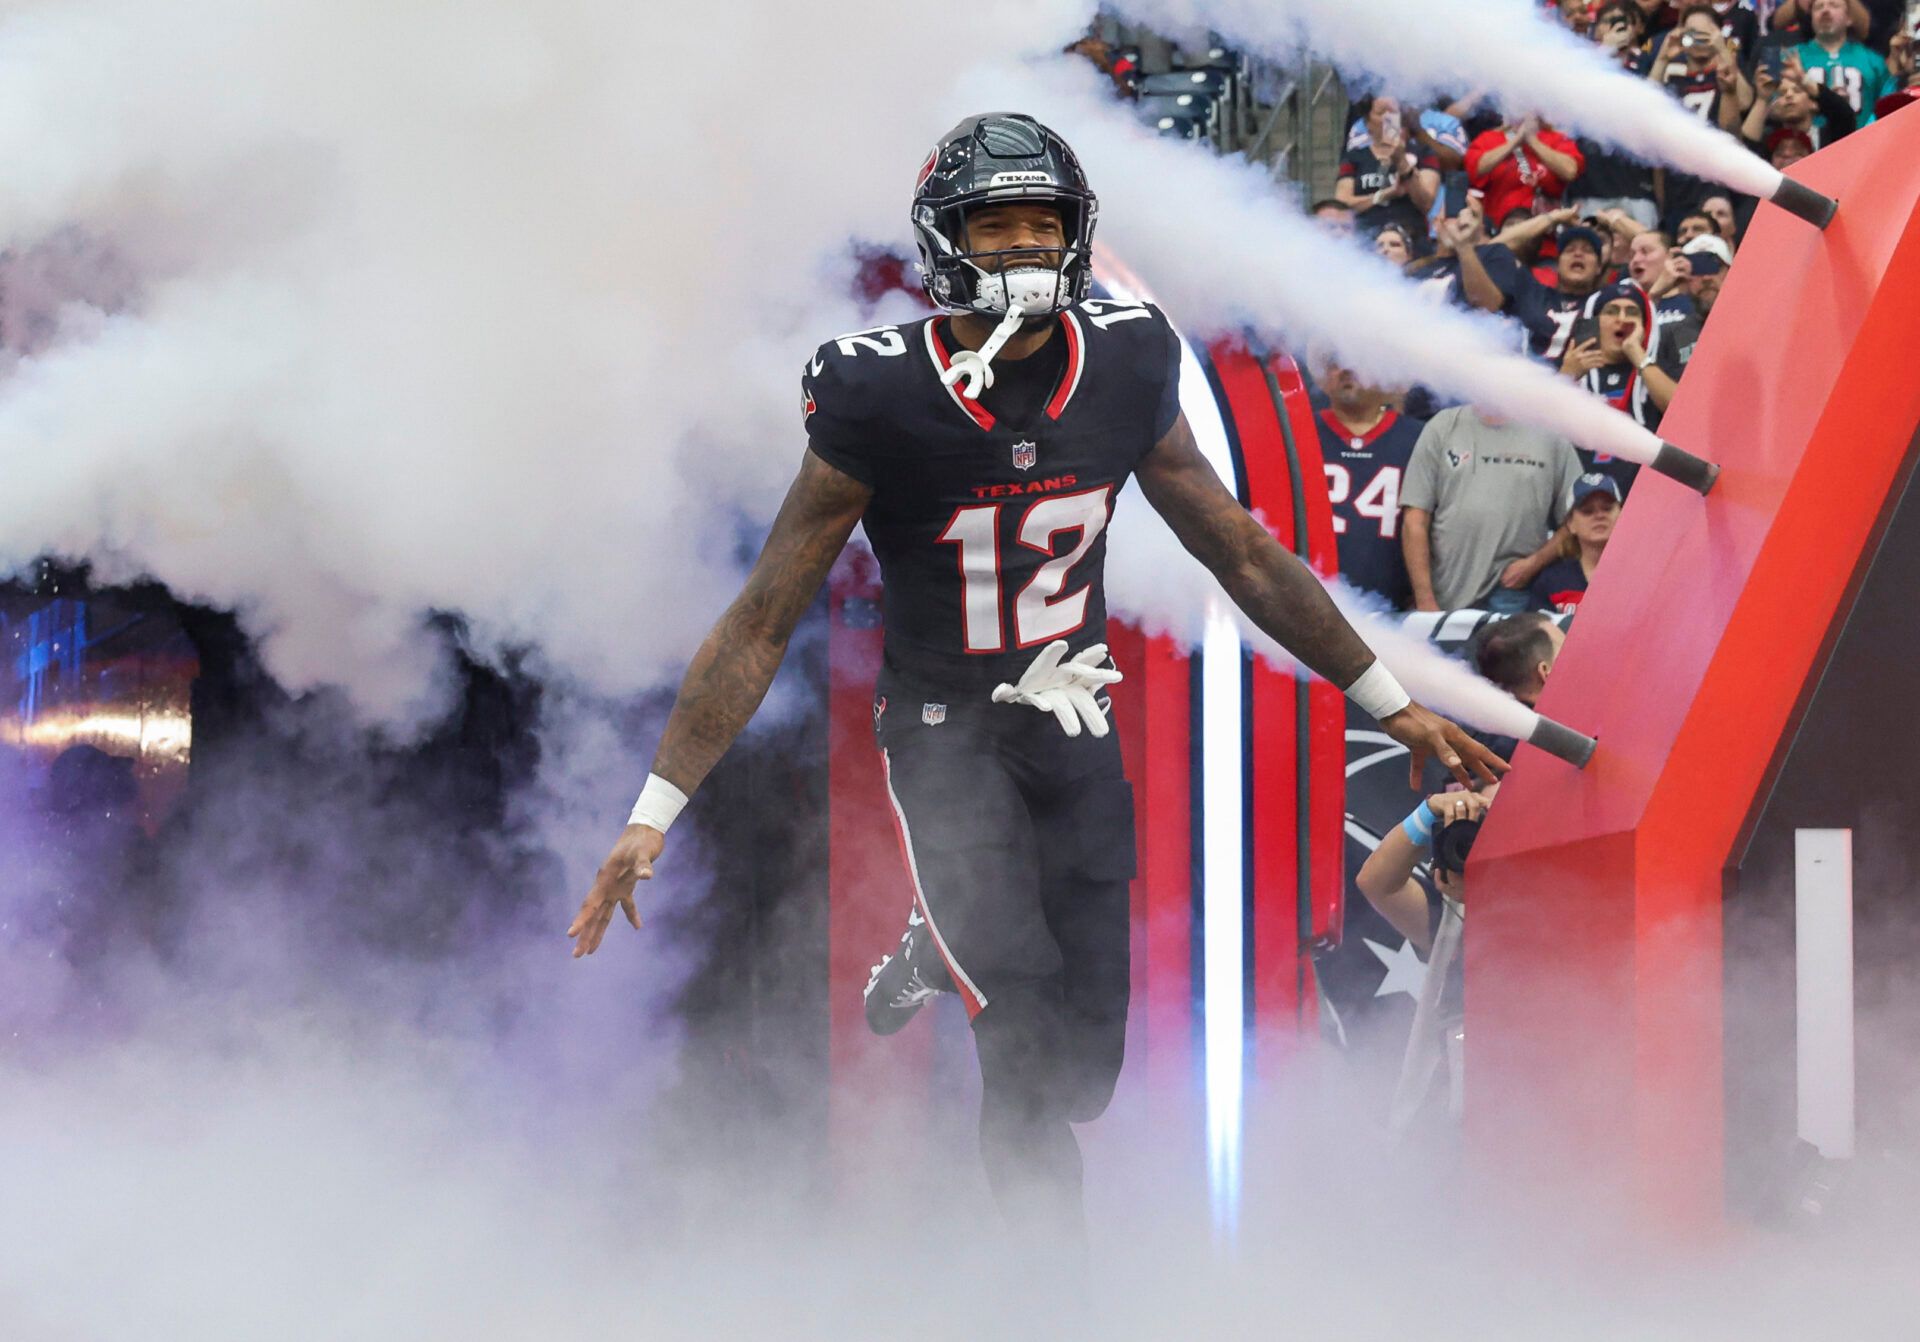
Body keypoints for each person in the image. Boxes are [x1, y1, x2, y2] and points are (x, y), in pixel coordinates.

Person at [568, 113, 1504, 1252]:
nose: (1018, 245)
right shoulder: (878, 390)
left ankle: (935, 943)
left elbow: (1243, 550)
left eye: (1039, 223)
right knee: (1017, 1040)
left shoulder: (1124, 359)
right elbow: (765, 614)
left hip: (1073, 716)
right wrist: (651, 812)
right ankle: (1051, 1296)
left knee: (1080, 1077)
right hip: (943, 729)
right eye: (993, 223)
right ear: (943, 242)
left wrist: (1388, 700)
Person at [1400, 404, 1582, 612]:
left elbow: (1577, 519)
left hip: (1515, 589)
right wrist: (1424, 599)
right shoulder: (1443, 426)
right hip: (1446, 591)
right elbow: (1415, 520)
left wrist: (1534, 563)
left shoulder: (1550, 433)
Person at [1315, 354, 1426, 608]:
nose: (1346, 369)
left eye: (1357, 357)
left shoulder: (1420, 438)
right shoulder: (1295, 431)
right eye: (1334, 362)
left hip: (1390, 602)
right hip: (1307, 595)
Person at [1560, 277, 1691, 434]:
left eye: (1632, 313)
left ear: (1644, 326)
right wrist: (1566, 377)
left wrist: (1637, 354)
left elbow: (1684, 415)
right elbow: (1539, 422)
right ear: (1595, 321)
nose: (1622, 319)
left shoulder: (1659, 371)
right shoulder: (1571, 367)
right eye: (1611, 311)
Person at [1492, 213, 1610, 363]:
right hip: (1524, 381)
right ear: (1558, 264)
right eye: (1569, 250)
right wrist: (1552, 218)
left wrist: (1616, 220)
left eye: (1587, 250)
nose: (1578, 254)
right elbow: (1492, 250)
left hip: (1577, 385)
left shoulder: (1607, 303)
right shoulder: (1532, 292)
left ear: (1599, 267)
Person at [1336, 96, 1441, 253]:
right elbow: (1343, 204)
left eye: (1393, 112)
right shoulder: (1354, 157)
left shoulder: (1423, 153)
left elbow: (1426, 203)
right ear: (1367, 122)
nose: (1388, 118)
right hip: (1367, 241)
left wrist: (1402, 163)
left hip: (1412, 241)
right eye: (1381, 112)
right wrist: (1385, 194)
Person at [1465, 114, 1586, 230]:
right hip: (1500, 232)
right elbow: (1475, 169)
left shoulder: (1556, 138)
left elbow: (1570, 171)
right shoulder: (1488, 138)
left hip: (1545, 239)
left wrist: (1532, 141)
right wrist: (1515, 141)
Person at [1530, 474, 1623, 612]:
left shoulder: (1642, 575)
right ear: (1570, 524)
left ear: (1622, 514)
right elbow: (1535, 630)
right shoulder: (1552, 580)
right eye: (1587, 511)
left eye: (1607, 508)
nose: (1599, 515)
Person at [1794, 0, 1897, 124]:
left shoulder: (1873, 61)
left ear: (1849, 18)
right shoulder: (1792, 57)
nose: (1825, 10)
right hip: (1809, 141)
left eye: (1834, 5)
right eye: (1818, 7)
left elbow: (1887, 107)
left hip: (1863, 139)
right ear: (1811, 18)